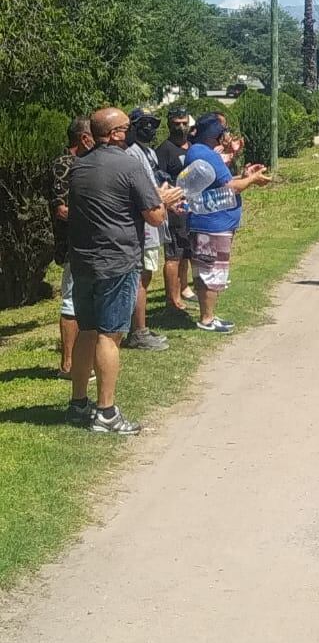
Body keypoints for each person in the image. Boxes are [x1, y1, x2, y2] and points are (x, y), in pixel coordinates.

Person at [66, 108, 184, 434]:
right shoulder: (129, 165)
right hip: (116, 262)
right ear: (117, 133)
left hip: (83, 262)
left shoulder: (79, 167)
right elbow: (156, 217)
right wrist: (163, 199)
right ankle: (106, 412)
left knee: (87, 330)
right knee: (109, 335)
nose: (130, 133)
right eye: (127, 128)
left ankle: (78, 403)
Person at [187, 113, 273, 333]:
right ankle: (207, 318)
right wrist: (251, 180)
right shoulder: (204, 155)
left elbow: (220, 183)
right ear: (215, 133)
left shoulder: (202, 152)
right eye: (222, 130)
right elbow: (229, 189)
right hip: (211, 223)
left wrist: (244, 176)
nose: (225, 134)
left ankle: (209, 315)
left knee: (208, 268)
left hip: (212, 221)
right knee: (211, 270)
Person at [50, 116, 95, 379]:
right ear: (83, 138)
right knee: (70, 300)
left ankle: (81, 360)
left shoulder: (86, 163)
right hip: (71, 244)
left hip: (89, 244)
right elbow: (61, 209)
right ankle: (68, 365)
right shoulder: (64, 164)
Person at [123, 109, 169, 351]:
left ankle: (141, 327)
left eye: (153, 124)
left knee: (148, 273)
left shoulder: (149, 151)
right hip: (145, 221)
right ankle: (137, 331)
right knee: (143, 276)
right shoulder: (132, 154)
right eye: (143, 124)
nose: (149, 128)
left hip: (156, 217)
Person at [154, 106, 195, 312]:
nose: (181, 127)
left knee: (186, 252)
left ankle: (184, 287)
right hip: (174, 210)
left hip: (192, 208)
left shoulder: (192, 147)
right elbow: (159, 179)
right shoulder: (164, 149)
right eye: (176, 124)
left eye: (184, 123)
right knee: (173, 255)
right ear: (169, 124)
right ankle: (172, 299)